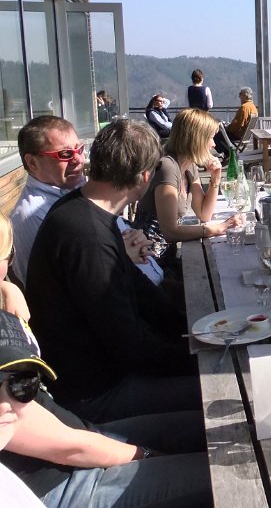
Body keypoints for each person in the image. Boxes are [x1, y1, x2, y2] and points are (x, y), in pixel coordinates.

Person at [25, 119, 201, 423]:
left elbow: (143, 295)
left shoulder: (80, 209)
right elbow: (129, 345)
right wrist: (197, 358)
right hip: (95, 395)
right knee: (229, 398)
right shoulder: (86, 236)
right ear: (145, 177)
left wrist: (198, 334)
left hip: (110, 374)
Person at [0, 309, 212, 507]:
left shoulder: (11, 406)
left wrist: (10, 289)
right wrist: (146, 455)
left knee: (204, 425)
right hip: (65, 484)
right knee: (215, 475)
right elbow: (72, 449)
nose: (5, 405)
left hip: (84, 436)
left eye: (24, 382)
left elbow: (71, 440)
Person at [9, 116, 164, 289]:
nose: (79, 160)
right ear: (32, 162)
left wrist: (135, 238)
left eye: (80, 149)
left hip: (152, 284)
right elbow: (48, 288)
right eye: (65, 154)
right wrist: (121, 256)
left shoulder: (82, 190)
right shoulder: (30, 215)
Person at [133, 108, 241, 270]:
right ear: (196, 140)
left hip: (166, 255)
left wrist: (215, 177)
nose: (213, 144)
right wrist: (217, 228)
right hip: (149, 262)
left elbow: (204, 213)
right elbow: (170, 231)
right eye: (210, 138)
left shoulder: (188, 165)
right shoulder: (167, 167)